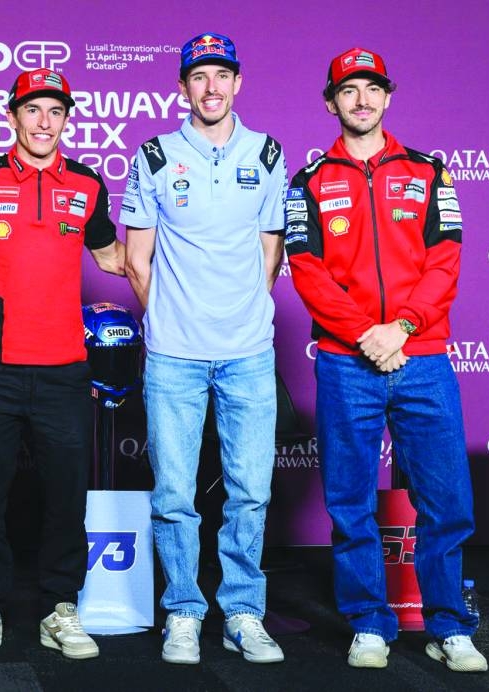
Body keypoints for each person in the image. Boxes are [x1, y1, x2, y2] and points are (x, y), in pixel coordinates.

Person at [285, 47, 487, 672]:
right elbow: (307, 271)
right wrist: (366, 333)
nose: (362, 100)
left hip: (421, 356)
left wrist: (399, 328)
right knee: (350, 502)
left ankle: (451, 626)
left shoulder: (430, 172)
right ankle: (369, 623)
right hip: (348, 362)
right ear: (331, 102)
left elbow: (445, 262)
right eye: (349, 91)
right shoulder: (309, 181)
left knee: (446, 499)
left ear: (388, 98)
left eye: (372, 89)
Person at [0, 68, 125, 663]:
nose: (44, 121)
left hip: (65, 369)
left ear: (66, 119)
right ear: (12, 116)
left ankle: (60, 609)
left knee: (66, 497)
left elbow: (114, 257)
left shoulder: (89, 184)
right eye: (33, 110)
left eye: (55, 111)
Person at [120, 32, 287, 665]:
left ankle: (244, 612)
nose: (211, 87)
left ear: (238, 83)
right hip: (173, 355)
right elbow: (138, 260)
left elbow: (271, 252)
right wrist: (174, 317)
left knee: (249, 489)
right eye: (199, 77)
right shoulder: (157, 155)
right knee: (174, 493)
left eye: (222, 75)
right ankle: (184, 612)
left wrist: (242, 311)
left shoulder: (268, 153)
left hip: (248, 350)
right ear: (182, 86)